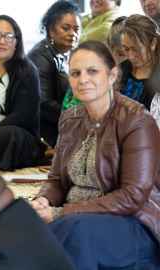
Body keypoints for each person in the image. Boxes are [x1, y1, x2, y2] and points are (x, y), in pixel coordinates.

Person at [32, 41, 160, 270]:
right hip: (72, 218)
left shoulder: (137, 120)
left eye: (92, 71)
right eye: (75, 73)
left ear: (112, 75)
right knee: (10, 223)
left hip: (129, 223)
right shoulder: (70, 118)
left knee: (72, 233)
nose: (83, 80)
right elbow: (56, 181)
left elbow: (133, 196)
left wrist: (60, 212)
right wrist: (43, 201)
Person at [0, 15, 44, 171]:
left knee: (8, 134)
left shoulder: (26, 71)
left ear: (16, 42)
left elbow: (23, 116)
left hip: (15, 135)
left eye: (8, 36)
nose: (2, 41)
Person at [28, 1, 81, 148]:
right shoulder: (40, 57)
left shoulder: (68, 54)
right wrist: (79, 118)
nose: (73, 34)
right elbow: (43, 104)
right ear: (51, 30)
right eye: (66, 28)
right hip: (44, 130)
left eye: (76, 29)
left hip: (62, 123)